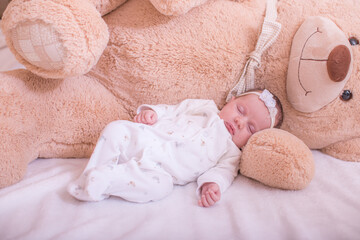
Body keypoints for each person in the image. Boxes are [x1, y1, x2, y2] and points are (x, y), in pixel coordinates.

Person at [68, 89, 283, 207]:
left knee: (160, 189)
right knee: (116, 130)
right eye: (241, 110)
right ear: (231, 100)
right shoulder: (205, 107)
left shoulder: (231, 152)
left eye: (250, 127)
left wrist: (212, 185)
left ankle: (106, 179)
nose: (239, 122)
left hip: (162, 172)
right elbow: (174, 109)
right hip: (147, 137)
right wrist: (153, 114)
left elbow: (223, 173)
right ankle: (96, 169)